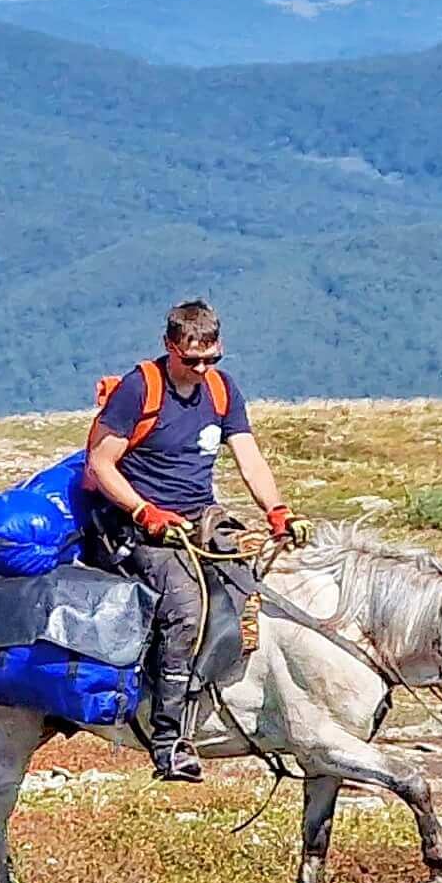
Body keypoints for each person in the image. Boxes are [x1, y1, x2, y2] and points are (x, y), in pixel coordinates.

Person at [79, 300, 302, 782]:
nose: (201, 369)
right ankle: (168, 737)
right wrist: (144, 511)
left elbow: (248, 457)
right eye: (191, 359)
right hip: (136, 526)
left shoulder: (222, 389)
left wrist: (276, 510)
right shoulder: (140, 389)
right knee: (187, 607)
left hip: (200, 518)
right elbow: (100, 462)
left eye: (211, 359)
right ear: (169, 346)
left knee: (253, 586)